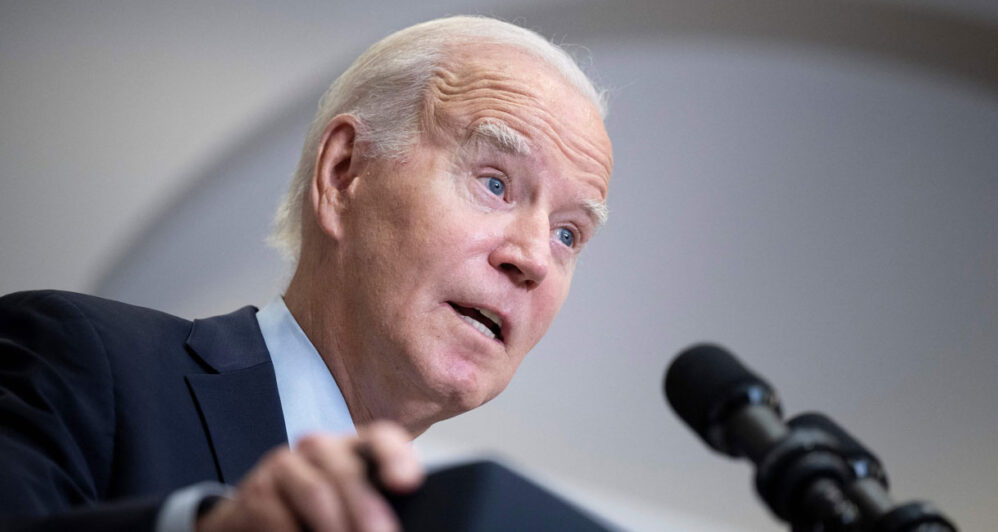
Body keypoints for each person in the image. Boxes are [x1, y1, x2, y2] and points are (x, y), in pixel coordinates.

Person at [0, 15, 613, 532]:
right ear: (344, 173)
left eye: (568, 234)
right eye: (495, 183)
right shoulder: (80, 358)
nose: (532, 258)